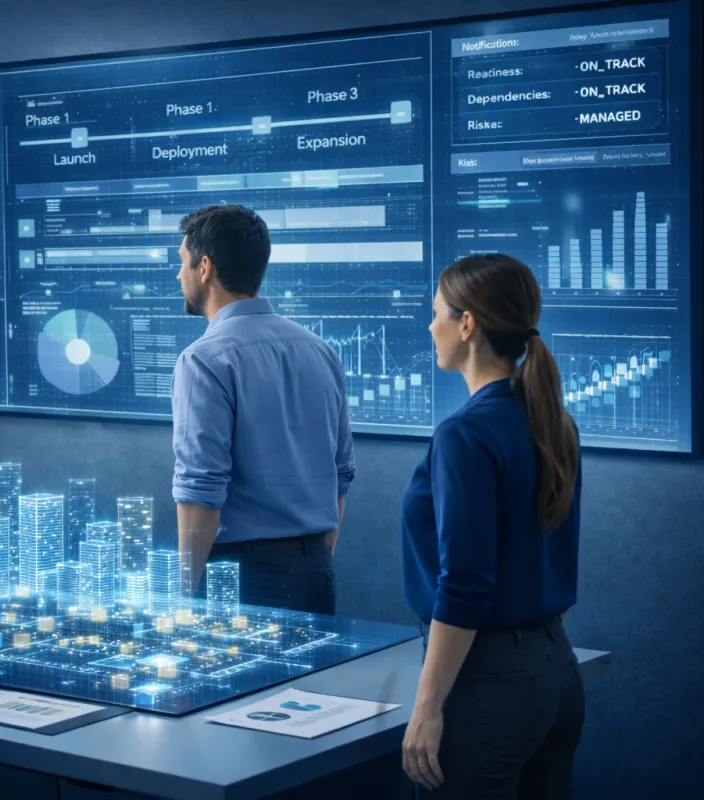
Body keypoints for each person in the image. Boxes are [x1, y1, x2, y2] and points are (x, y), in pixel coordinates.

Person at [400, 254, 584, 798]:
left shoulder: (465, 435)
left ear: (467, 323)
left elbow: (464, 584)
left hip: (487, 686)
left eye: (436, 313)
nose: (430, 326)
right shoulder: (554, 422)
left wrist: (429, 705)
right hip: (556, 672)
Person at [172, 204, 355, 614]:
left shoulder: (203, 359)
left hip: (241, 582)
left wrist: (183, 602)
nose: (178, 274)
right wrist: (312, 558)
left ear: (206, 268)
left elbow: (200, 493)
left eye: (182, 262)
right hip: (315, 572)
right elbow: (341, 475)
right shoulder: (320, 350)